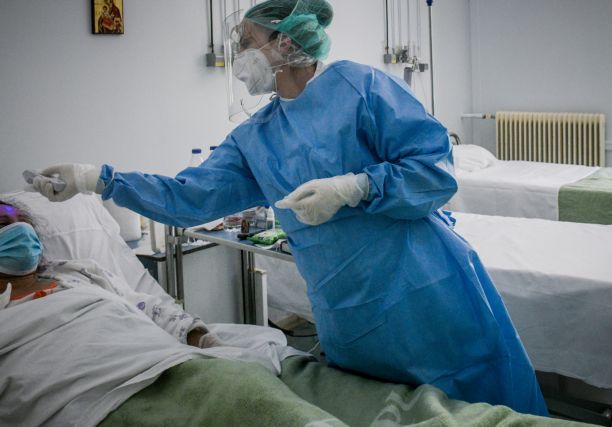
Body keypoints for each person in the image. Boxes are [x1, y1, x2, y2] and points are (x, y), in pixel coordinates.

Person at [30, 0, 547, 416]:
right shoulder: (257, 136)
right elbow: (190, 197)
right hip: (347, 312)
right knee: (378, 410)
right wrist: (98, 179)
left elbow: (434, 171)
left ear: (284, 41)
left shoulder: (361, 88)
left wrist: (355, 186)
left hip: (422, 288)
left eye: (246, 41)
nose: (239, 55)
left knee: (473, 407)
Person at [0, 201, 215, 348]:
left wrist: (198, 337)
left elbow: (146, 307)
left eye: (24, 223)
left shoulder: (78, 271)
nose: (21, 231)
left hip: (150, 354)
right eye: (3, 224)